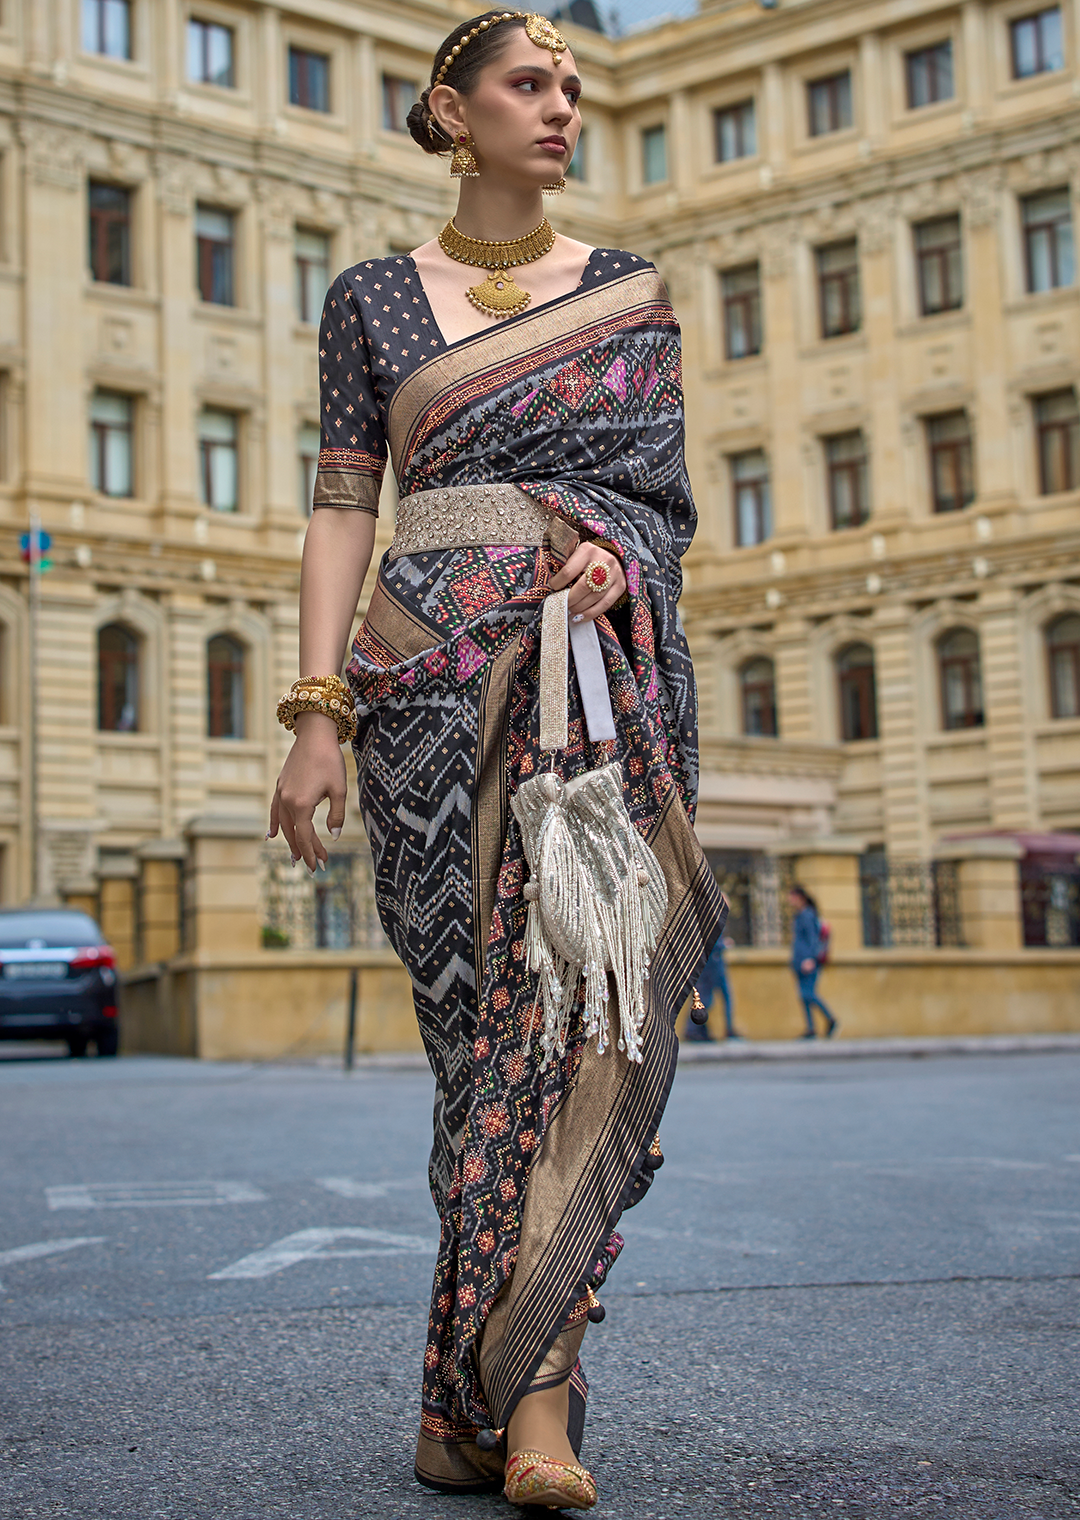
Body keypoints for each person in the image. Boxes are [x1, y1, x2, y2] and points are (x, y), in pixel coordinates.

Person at [267, 10, 726, 1512]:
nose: (562, 106)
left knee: (578, 1028)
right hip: (419, 704)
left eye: (574, 86)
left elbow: (658, 501)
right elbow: (347, 508)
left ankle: (536, 1412)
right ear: (449, 111)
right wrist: (320, 713)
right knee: (480, 1058)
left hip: (593, 702)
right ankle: (454, 1410)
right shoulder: (371, 308)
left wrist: (606, 554)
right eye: (530, 84)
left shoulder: (630, 297)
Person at [788, 884, 837, 1039]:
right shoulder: (799, 915)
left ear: (800, 898)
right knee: (804, 997)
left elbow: (812, 939)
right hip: (799, 961)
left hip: (808, 962)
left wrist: (810, 959)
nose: (790, 900)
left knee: (808, 994)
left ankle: (831, 1019)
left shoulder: (808, 915)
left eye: (792, 897)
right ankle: (811, 1029)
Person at [686, 935, 741, 1040]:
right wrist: (723, 944)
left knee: (716, 998)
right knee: (707, 999)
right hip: (711, 965)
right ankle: (693, 1029)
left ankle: (698, 1029)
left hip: (714, 963)